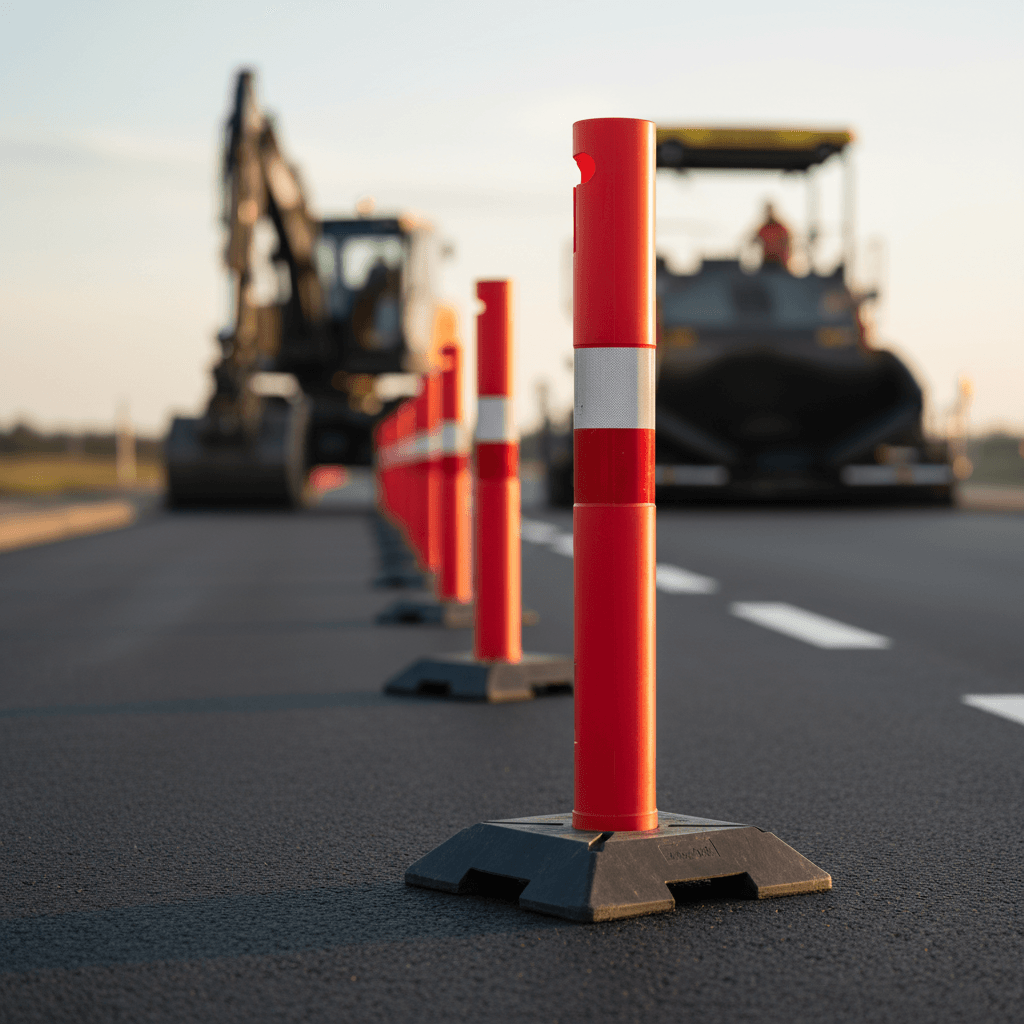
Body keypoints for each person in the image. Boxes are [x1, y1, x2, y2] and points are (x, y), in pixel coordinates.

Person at [753, 202, 791, 270]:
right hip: (767, 261)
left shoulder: (780, 228)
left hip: (779, 262)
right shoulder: (763, 228)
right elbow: (754, 240)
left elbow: (788, 242)